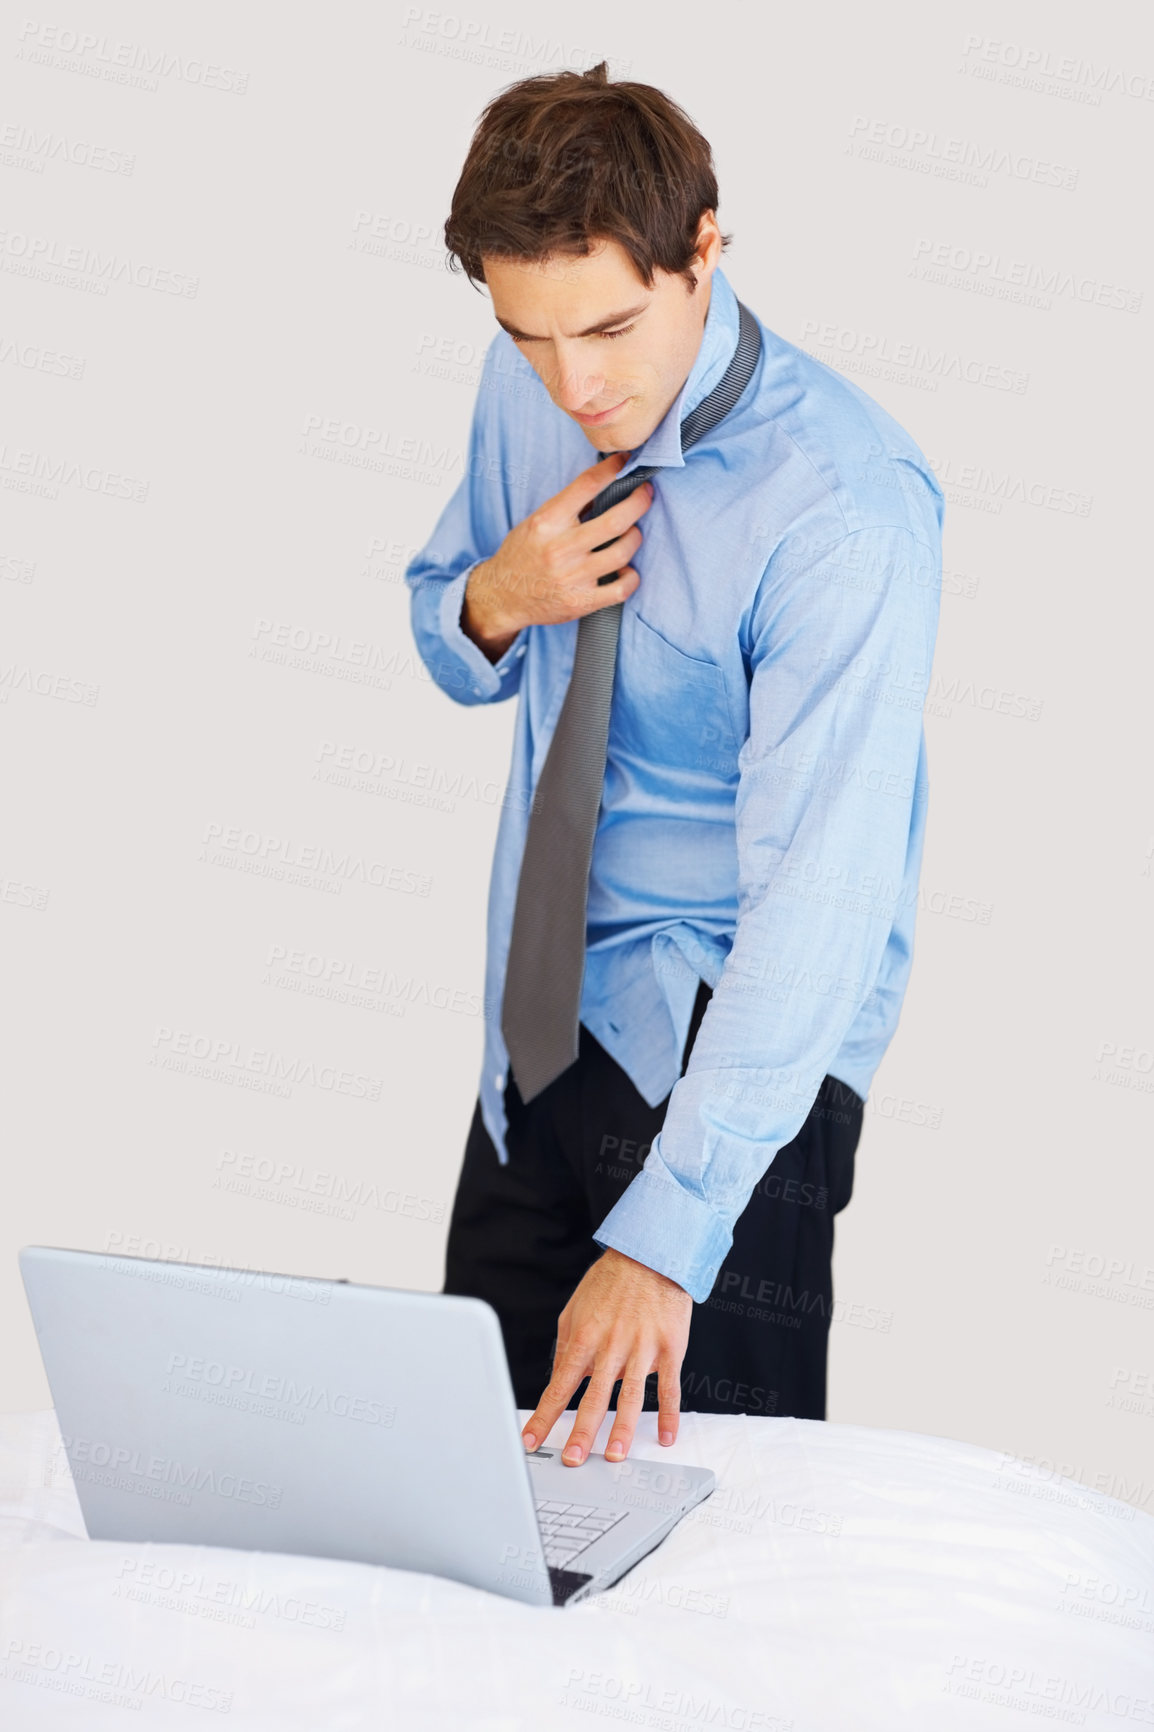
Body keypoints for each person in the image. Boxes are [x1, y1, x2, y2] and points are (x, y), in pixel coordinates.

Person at [404, 61, 942, 1469]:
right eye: (528, 338)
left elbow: (818, 901)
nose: (574, 384)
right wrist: (496, 598)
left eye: (608, 328)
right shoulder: (532, 384)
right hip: (536, 1040)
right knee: (475, 1509)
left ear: (703, 246)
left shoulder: (842, 513)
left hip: (735, 1075)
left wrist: (670, 1234)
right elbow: (441, 611)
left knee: (709, 1556)